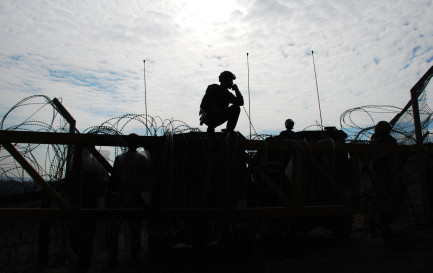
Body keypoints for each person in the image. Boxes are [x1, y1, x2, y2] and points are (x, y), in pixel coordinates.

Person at [106, 133, 153, 267]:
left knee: (116, 229)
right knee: (135, 228)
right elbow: (147, 182)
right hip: (138, 199)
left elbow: (113, 181)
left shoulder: (120, 158)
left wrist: (110, 198)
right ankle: (133, 257)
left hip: (121, 198)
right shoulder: (143, 160)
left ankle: (114, 258)